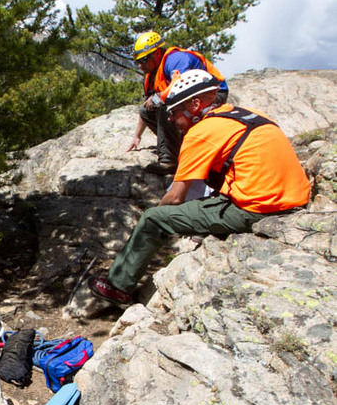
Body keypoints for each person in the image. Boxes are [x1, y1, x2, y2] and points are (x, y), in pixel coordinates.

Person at [90, 69, 311, 306]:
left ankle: (118, 287)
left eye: (174, 112)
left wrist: (160, 215)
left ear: (195, 104)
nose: (172, 120)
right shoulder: (248, 115)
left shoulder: (201, 133)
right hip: (296, 198)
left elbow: (175, 197)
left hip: (258, 208)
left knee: (153, 219)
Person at [127, 31, 229, 175]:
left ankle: (169, 160)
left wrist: (158, 98)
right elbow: (146, 108)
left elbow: (184, 88)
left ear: (156, 54)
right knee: (147, 110)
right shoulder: (152, 75)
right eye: (137, 61)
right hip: (190, 99)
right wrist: (137, 136)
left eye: (143, 60)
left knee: (163, 105)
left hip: (212, 94)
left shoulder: (176, 59)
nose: (140, 66)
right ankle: (178, 145)